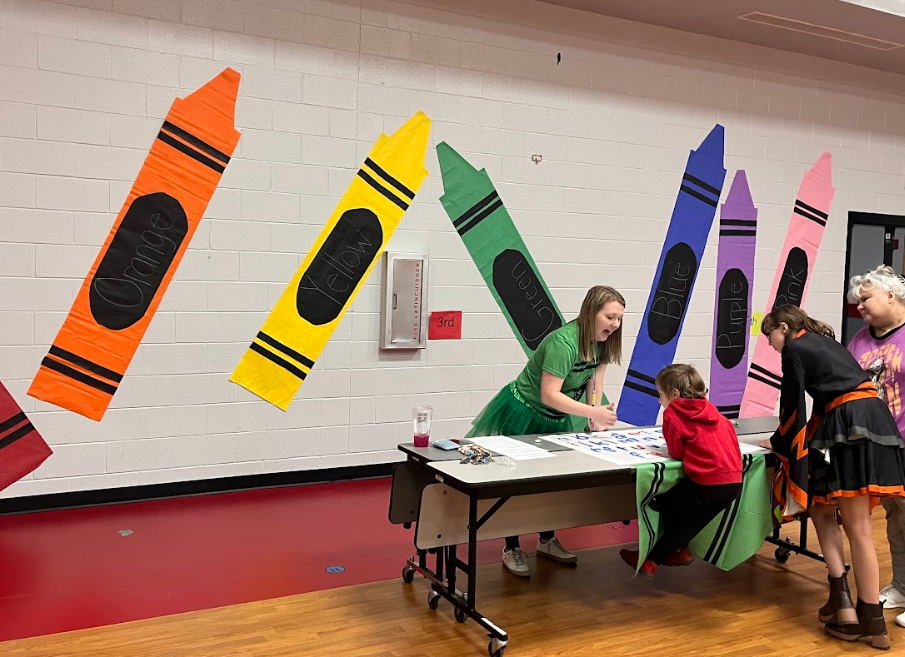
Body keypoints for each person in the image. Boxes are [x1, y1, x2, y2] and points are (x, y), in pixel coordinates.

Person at [759, 304, 905, 650]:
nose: (771, 345)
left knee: (858, 529)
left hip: (847, 426)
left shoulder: (795, 347)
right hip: (874, 423)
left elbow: (792, 405)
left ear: (783, 328)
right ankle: (841, 601)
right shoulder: (830, 343)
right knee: (823, 510)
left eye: (770, 337)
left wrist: (779, 442)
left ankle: (870, 622)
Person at [466, 285, 624, 577]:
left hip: (554, 418)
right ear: (592, 312)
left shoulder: (603, 342)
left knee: (549, 481)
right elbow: (550, 394)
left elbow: (595, 382)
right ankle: (511, 545)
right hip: (523, 411)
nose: (615, 325)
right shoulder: (562, 344)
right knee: (514, 481)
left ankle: (546, 540)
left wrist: (595, 418)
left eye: (619, 319)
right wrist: (593, 411)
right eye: (610, 317)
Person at [618, 364, 742, 579]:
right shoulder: (715, 413)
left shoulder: (673, 414)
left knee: (663, 502)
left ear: (674, 394)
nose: (659, 401)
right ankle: (679, 552)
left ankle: (651, 561)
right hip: (733, 482)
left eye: (660, 395)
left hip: (706, 483)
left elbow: (676, 452)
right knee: (688, 518)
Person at [847, 266, 905, 629]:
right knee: (896, 519)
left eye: (865, 300)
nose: (860, 307)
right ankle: (901, 586)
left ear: (891, 295)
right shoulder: (860, 340)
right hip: (881, 445)